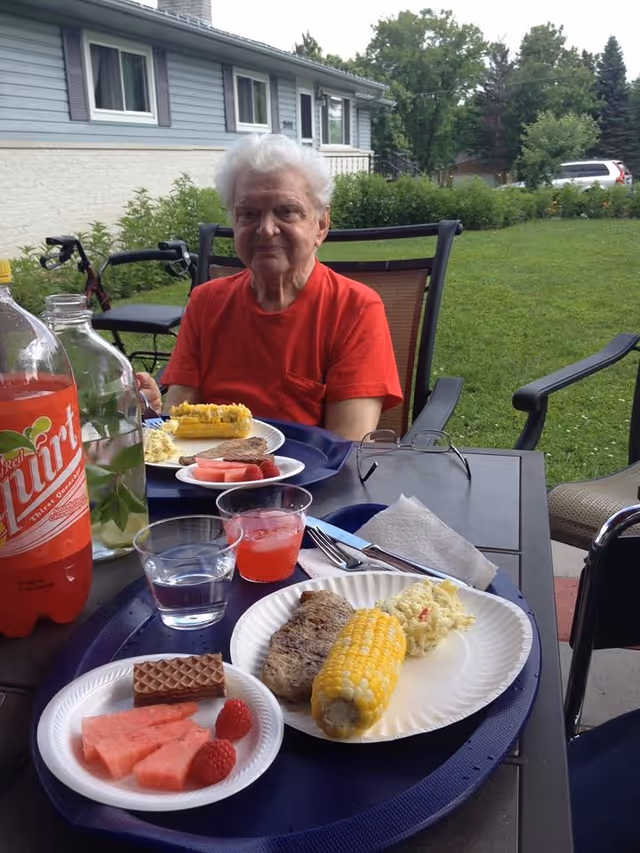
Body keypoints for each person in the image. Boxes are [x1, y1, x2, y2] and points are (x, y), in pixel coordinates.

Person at [143, 134, 402, 441]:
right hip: (204, 482)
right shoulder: (205, 303)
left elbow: (345, 447)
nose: (266, 229)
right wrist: (151, 414)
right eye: (249, 214)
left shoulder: (354, 309)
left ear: (321, 225)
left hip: (309, 485)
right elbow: (178, 423)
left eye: (286, 211)